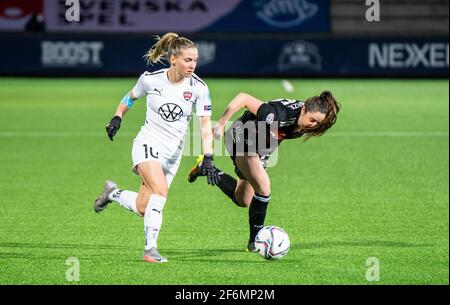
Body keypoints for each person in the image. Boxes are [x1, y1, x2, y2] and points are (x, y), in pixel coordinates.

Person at [93, 32, 221, 263]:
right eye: (188, 60)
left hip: (173, 154)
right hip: (147, 144)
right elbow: (129, 97)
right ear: (173, 59)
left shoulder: (200, 88)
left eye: (195, 60)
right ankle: (150, 251)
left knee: (144, 207)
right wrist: (117, 117)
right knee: (160, 191)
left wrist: (208, 156)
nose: (193, 65)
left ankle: (112, 193)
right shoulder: (151, 79)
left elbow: (204, 125)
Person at [188, 91, 340, 252]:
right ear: (303, 109)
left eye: (318, 123)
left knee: (243, 200)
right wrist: (221, 123)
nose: (313, 125)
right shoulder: (277, 114)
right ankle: (254, 242)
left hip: (260, 146)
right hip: (240, 135)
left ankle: (205, 169)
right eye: (312, 120)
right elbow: (244, 98)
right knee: (264, 186)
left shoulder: (304, 120)